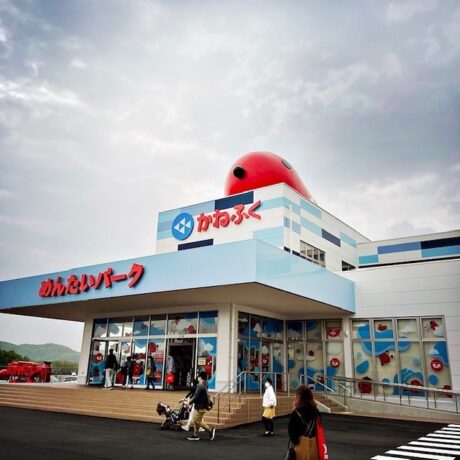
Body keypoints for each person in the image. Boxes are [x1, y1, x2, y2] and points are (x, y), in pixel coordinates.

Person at [287, 385, 321, 460]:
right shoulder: (316, 411)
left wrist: (296, 441)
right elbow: (318, 427)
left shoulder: (296, 412)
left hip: (300, 444)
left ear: (299, 397)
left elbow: (291, 430)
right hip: (314, 444)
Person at [186, 371, 216, 441]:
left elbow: (196, 396)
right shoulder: (205, 384)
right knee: (195, 421)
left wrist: (189, 402)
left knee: (197, 421)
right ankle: (195, 435)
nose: (197, 378)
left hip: (200, 406)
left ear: (200, 377)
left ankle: (210, 430)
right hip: (202, 405)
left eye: (198, 376)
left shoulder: (200, 386)